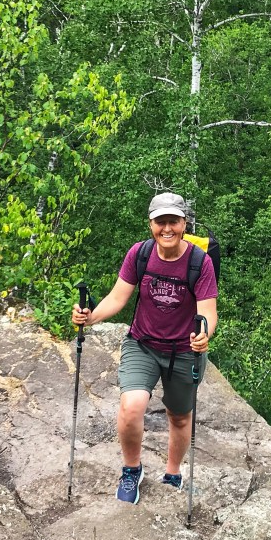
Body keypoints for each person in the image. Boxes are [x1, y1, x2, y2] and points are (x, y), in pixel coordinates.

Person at [72, 192, 218, 504]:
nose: (167, 228)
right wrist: (90, 317)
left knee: (179, 417)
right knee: (131, 407)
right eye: (160, 222)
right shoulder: (140, 254)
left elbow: (208, 310)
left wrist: (204, 333)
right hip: (143, 344)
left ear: (184, 223)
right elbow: (117, 297)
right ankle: (131, 470)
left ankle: (173, 473)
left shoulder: (199, 262)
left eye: (173, 221)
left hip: (184, 351)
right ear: (151, 224)